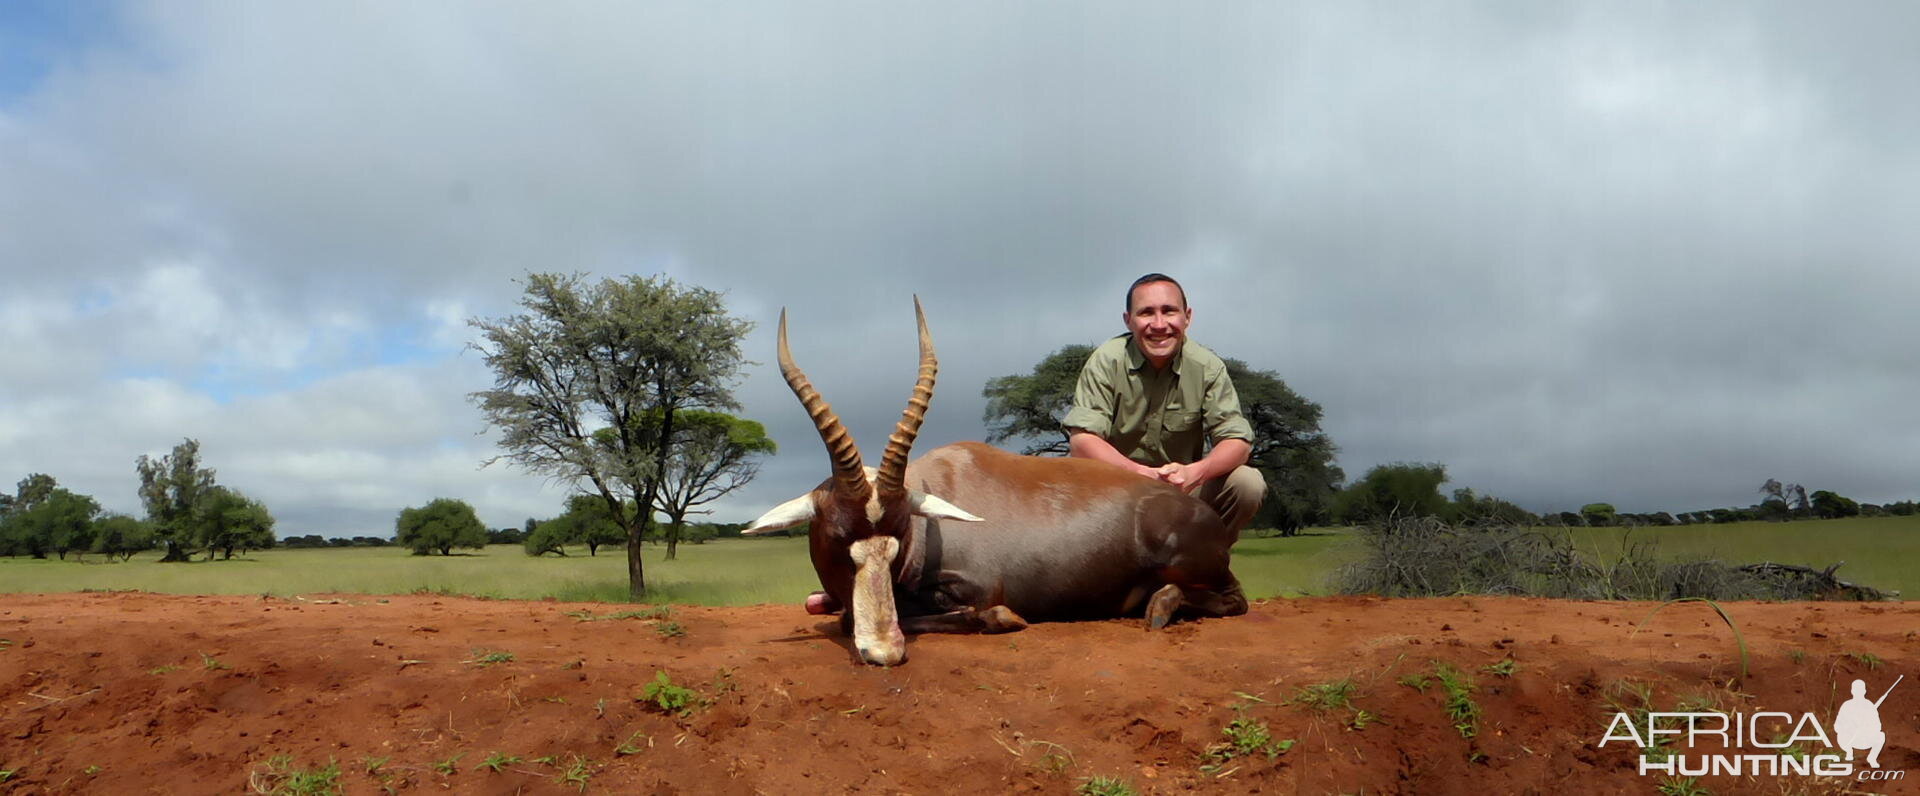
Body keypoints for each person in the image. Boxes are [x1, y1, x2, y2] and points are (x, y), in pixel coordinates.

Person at [1062, 273, 1265, 534]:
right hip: (1113, 492)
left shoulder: (1208, 367)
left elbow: (1237, 442)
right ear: (1128, 320)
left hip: (1183, 490)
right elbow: (1082, 441)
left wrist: (1195, 473)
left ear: (1187, 317)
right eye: (1146, 313)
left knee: (1248, 484)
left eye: (1169, 311)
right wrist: (1139, 474)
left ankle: (1203, 563)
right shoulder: (1106, 361)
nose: (1159, 324)